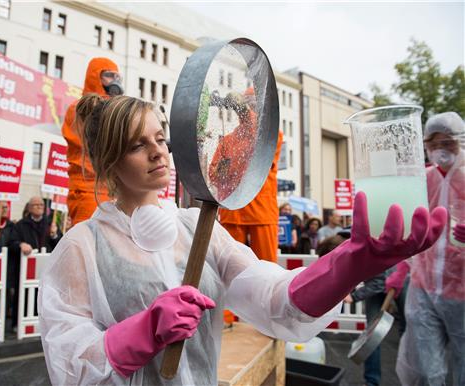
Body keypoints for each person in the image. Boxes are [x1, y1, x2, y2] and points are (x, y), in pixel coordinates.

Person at [37, 94, 446, 385]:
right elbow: (71, 367)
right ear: (109, 160)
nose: (158, 153)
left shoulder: (198, 229)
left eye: (160, 138)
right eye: (137, 145)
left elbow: (278, 301)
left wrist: (352, 261)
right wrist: (143, 331)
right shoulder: (80, 247)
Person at [388, 112, 465, 385]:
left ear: (460, 143)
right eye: (434, 145)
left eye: (448, 143)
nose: (441, 151)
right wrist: (399, 270)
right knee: (427, 370)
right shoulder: (423, 179)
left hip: (463, 293)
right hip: (424, 288)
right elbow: (411, 230)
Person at [217, 89, 284, 263]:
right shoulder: (227, 140)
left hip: (260, 212)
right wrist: (227, 169)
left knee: (267, 272)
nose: (253, 109)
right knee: (229, 272)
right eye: (250, 104)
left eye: (256, 104)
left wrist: (228, 167)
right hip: (234, 213)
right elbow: (214, 174)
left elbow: (254, 157)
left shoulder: (273, 134)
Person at [62, 57, 124, 225]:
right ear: (95, 76)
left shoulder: (112, 107)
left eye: (118, 77)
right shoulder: (78, 108)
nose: (115, 81)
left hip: (112, 187)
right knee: (88, 244)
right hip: (87, 188)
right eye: (110, 75)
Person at [7, 196, 61, 330]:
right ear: (29, 208)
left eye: (41, 205)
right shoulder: (20, 225)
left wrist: (54, 235)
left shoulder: (50, 224)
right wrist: (21, 244)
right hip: (27, 270)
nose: (39, 207)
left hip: (46, 268)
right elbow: (11, 243)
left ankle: (42, 326)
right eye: (36, 205)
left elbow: (60, 245)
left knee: (44, 297)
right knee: (24, 296)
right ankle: (18, 324)